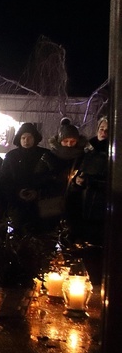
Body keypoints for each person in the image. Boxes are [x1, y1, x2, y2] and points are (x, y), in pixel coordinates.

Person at [72, 117, 109, 283]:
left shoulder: (111, 152)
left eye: (107, 130)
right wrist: (76, 181)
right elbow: (77, 172)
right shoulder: (88, 150)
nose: (103, 133)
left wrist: (91, 182)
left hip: (101, 205)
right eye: (101, 128)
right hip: (83, 203)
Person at [0, 122, 50, 233]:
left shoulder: (45, 155)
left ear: (35, 138)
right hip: (17, 207)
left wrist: (38, 192)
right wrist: (17, 193)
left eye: (29, 137)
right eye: (23, 138)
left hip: (40, 206)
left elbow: (50, 178)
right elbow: (4, 179)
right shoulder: (11, 156)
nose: (26, 141)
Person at [43, 119, 87, 239]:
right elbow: (40, 178)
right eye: (65, 141)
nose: (69, 144)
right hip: (53, 202)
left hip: (75, 203)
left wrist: (79, 182)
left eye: (72, 141)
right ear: (59, 141)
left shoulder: (82, 157)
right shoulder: (49, 157)